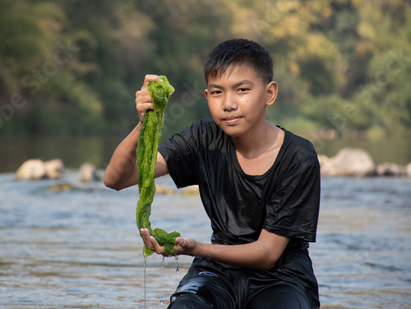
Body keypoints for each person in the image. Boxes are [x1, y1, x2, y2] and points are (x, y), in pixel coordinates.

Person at [103, 38, 321, 309]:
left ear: (269, 93)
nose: (228, 103)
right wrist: (144, 122)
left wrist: (195, 249)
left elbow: (267, 253)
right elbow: (116, 179)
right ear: (207, 96)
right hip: (216, 271)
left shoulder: (298, 156)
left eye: (242, 90)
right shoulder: (203, 138)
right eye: (217, 92)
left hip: (282, 277)